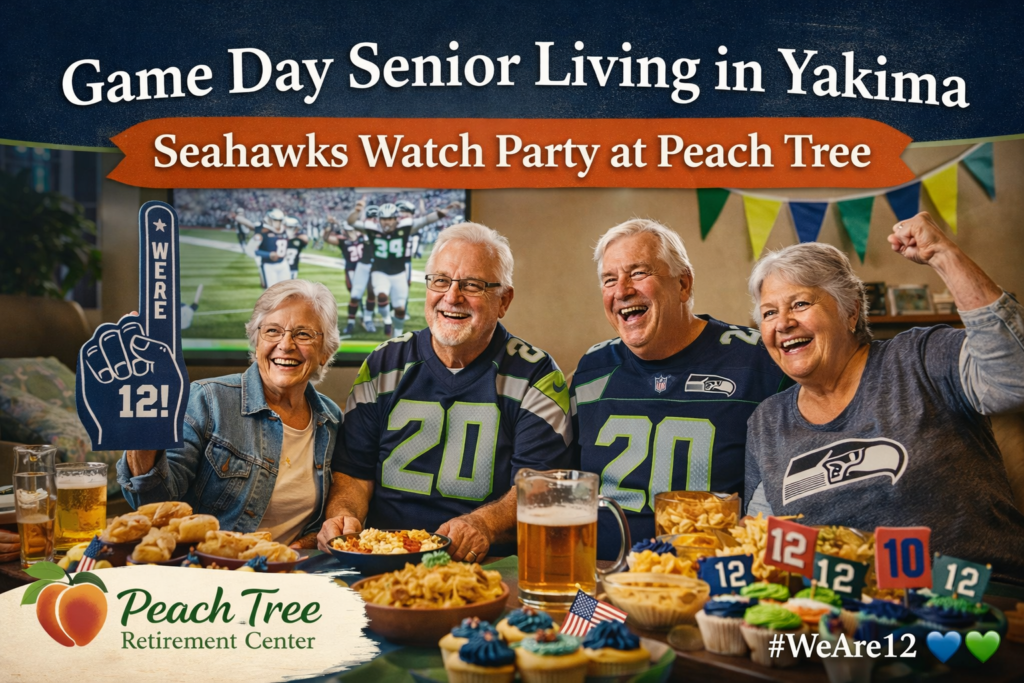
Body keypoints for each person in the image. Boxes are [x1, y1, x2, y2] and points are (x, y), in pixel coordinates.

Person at [745, 212, 1024, 581]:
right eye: (768, 312)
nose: (782, 323)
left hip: (974, 603)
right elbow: (759, 538)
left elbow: (1014, 377)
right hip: (833, 615)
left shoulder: (921, 357)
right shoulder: (767, 421)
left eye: (800, 304)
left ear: (851, 311)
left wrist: (944, 255)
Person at [318, 222, 572, 561]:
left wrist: (485, 523)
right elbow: (354, 473)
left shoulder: (536, 375)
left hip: (484, 562)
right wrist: (343, 515)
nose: (452, 297)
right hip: (383, 555)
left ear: (503, 301)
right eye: (440, 281)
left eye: (472, 285)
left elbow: (541, 489)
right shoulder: (384, 362)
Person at [572, 219, 790, 560]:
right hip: (600, 578)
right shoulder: (591, 368)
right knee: (548, 615)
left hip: (707, 585)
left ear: (683, 285)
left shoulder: (759, 361)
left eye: (638, 273)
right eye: (609, 280)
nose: (621, 290)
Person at [116, 280, 343, 547]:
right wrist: (145, 411)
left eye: (303, 334)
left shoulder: (331, 420)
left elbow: (322, 523)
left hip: (293, 572)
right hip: (212, 570)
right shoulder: (206, 400)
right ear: (256, 341)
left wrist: (297, 550)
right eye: (272, 331)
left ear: (325, 353)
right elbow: (152, 502)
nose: (286, 344)